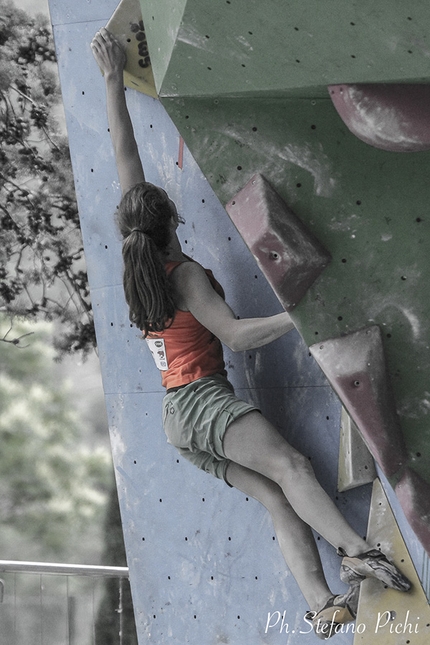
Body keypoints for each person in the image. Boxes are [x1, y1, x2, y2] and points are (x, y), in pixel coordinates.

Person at [91, 28, 411, 640]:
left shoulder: (135, 264)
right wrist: (298, 316)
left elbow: (123, 158)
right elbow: (236, 338)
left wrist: (112, 83)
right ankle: (354, 550)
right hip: (203, 402)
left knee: (275, 496)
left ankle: (320, 604)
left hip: (178, 423)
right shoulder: (181, 275)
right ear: (173, 223)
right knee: (292, 466)